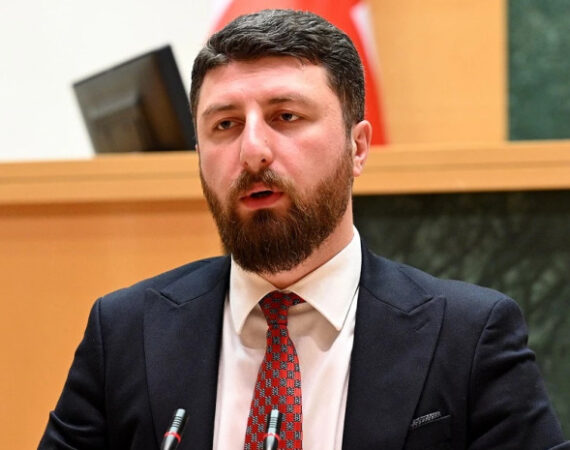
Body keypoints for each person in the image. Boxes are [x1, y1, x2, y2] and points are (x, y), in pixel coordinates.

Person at [39, 9, 568, 450]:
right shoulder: (126, 332)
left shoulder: (468, 337)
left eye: (286, 116)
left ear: (357, 147)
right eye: (225, 125)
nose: (252, 150)